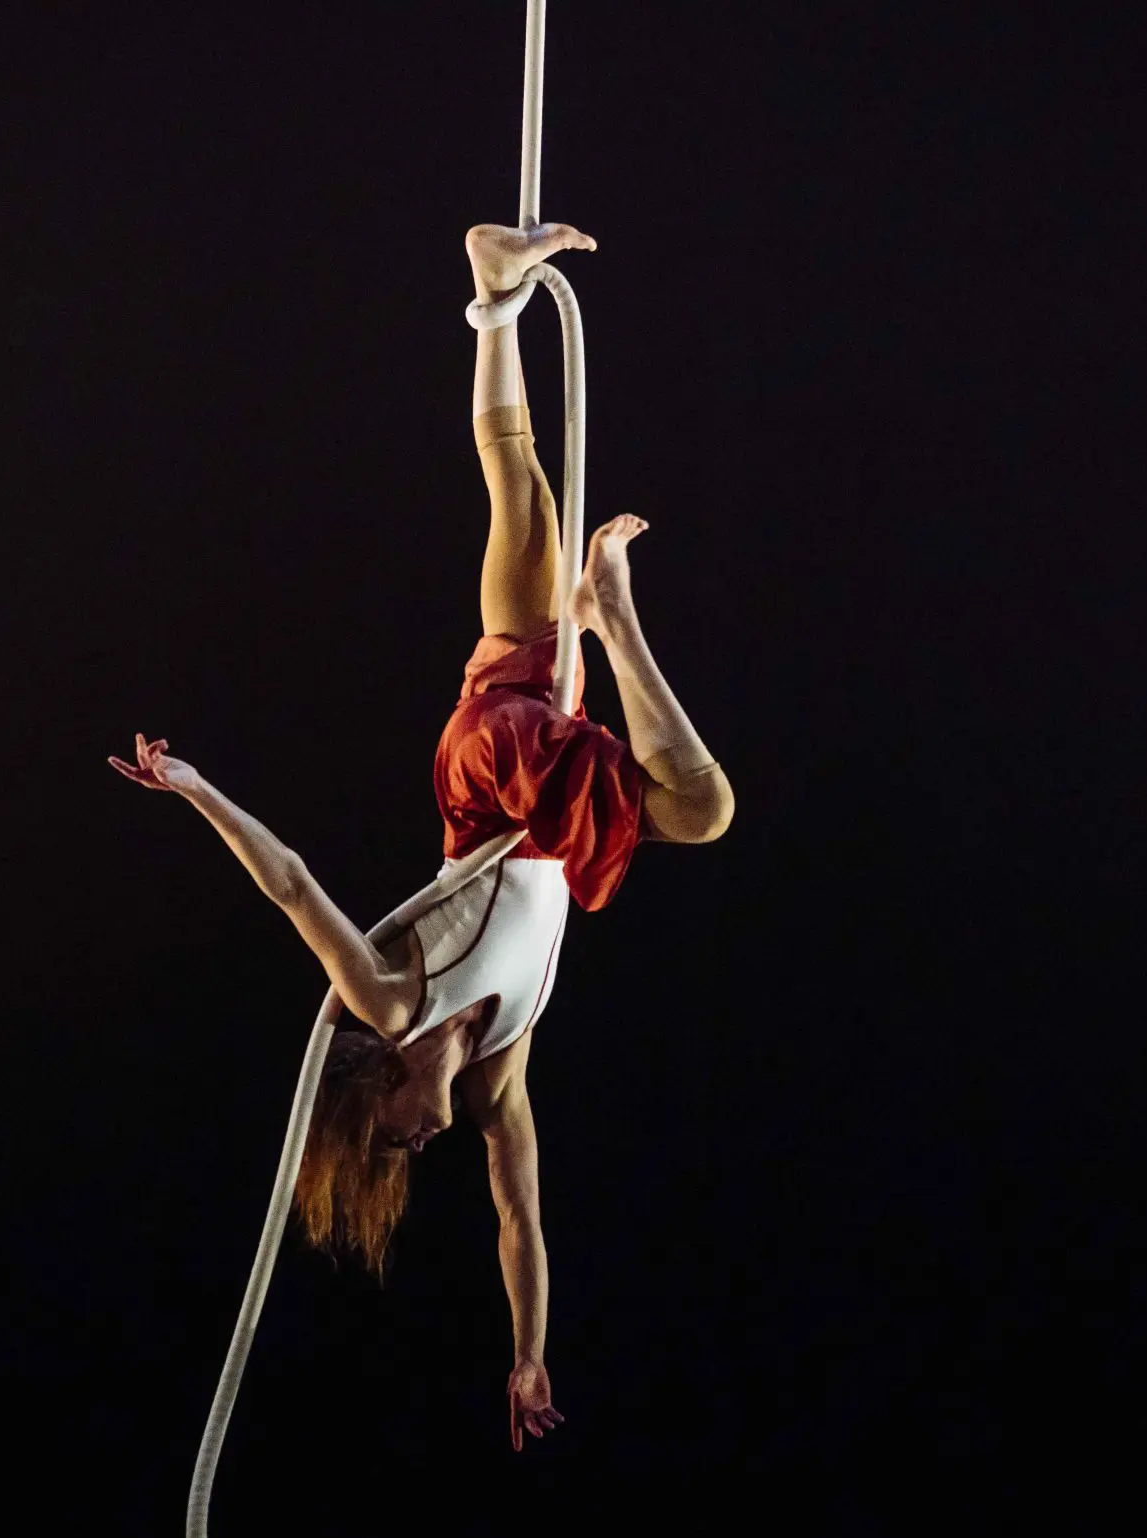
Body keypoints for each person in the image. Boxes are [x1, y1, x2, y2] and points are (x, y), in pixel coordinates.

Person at [112, 222, 733, 1452]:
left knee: (700, 814)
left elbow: (293, 890)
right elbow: (522, 1225)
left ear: (376, 1090)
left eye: (399, 1139)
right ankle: (492, 298)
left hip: (491, 782)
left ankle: (610, 620)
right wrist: (528, 1355)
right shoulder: (497, 1081)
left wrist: (195, 789)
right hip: (535, 764)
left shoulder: (388, 1000)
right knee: (523, 487)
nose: (426, 1140)